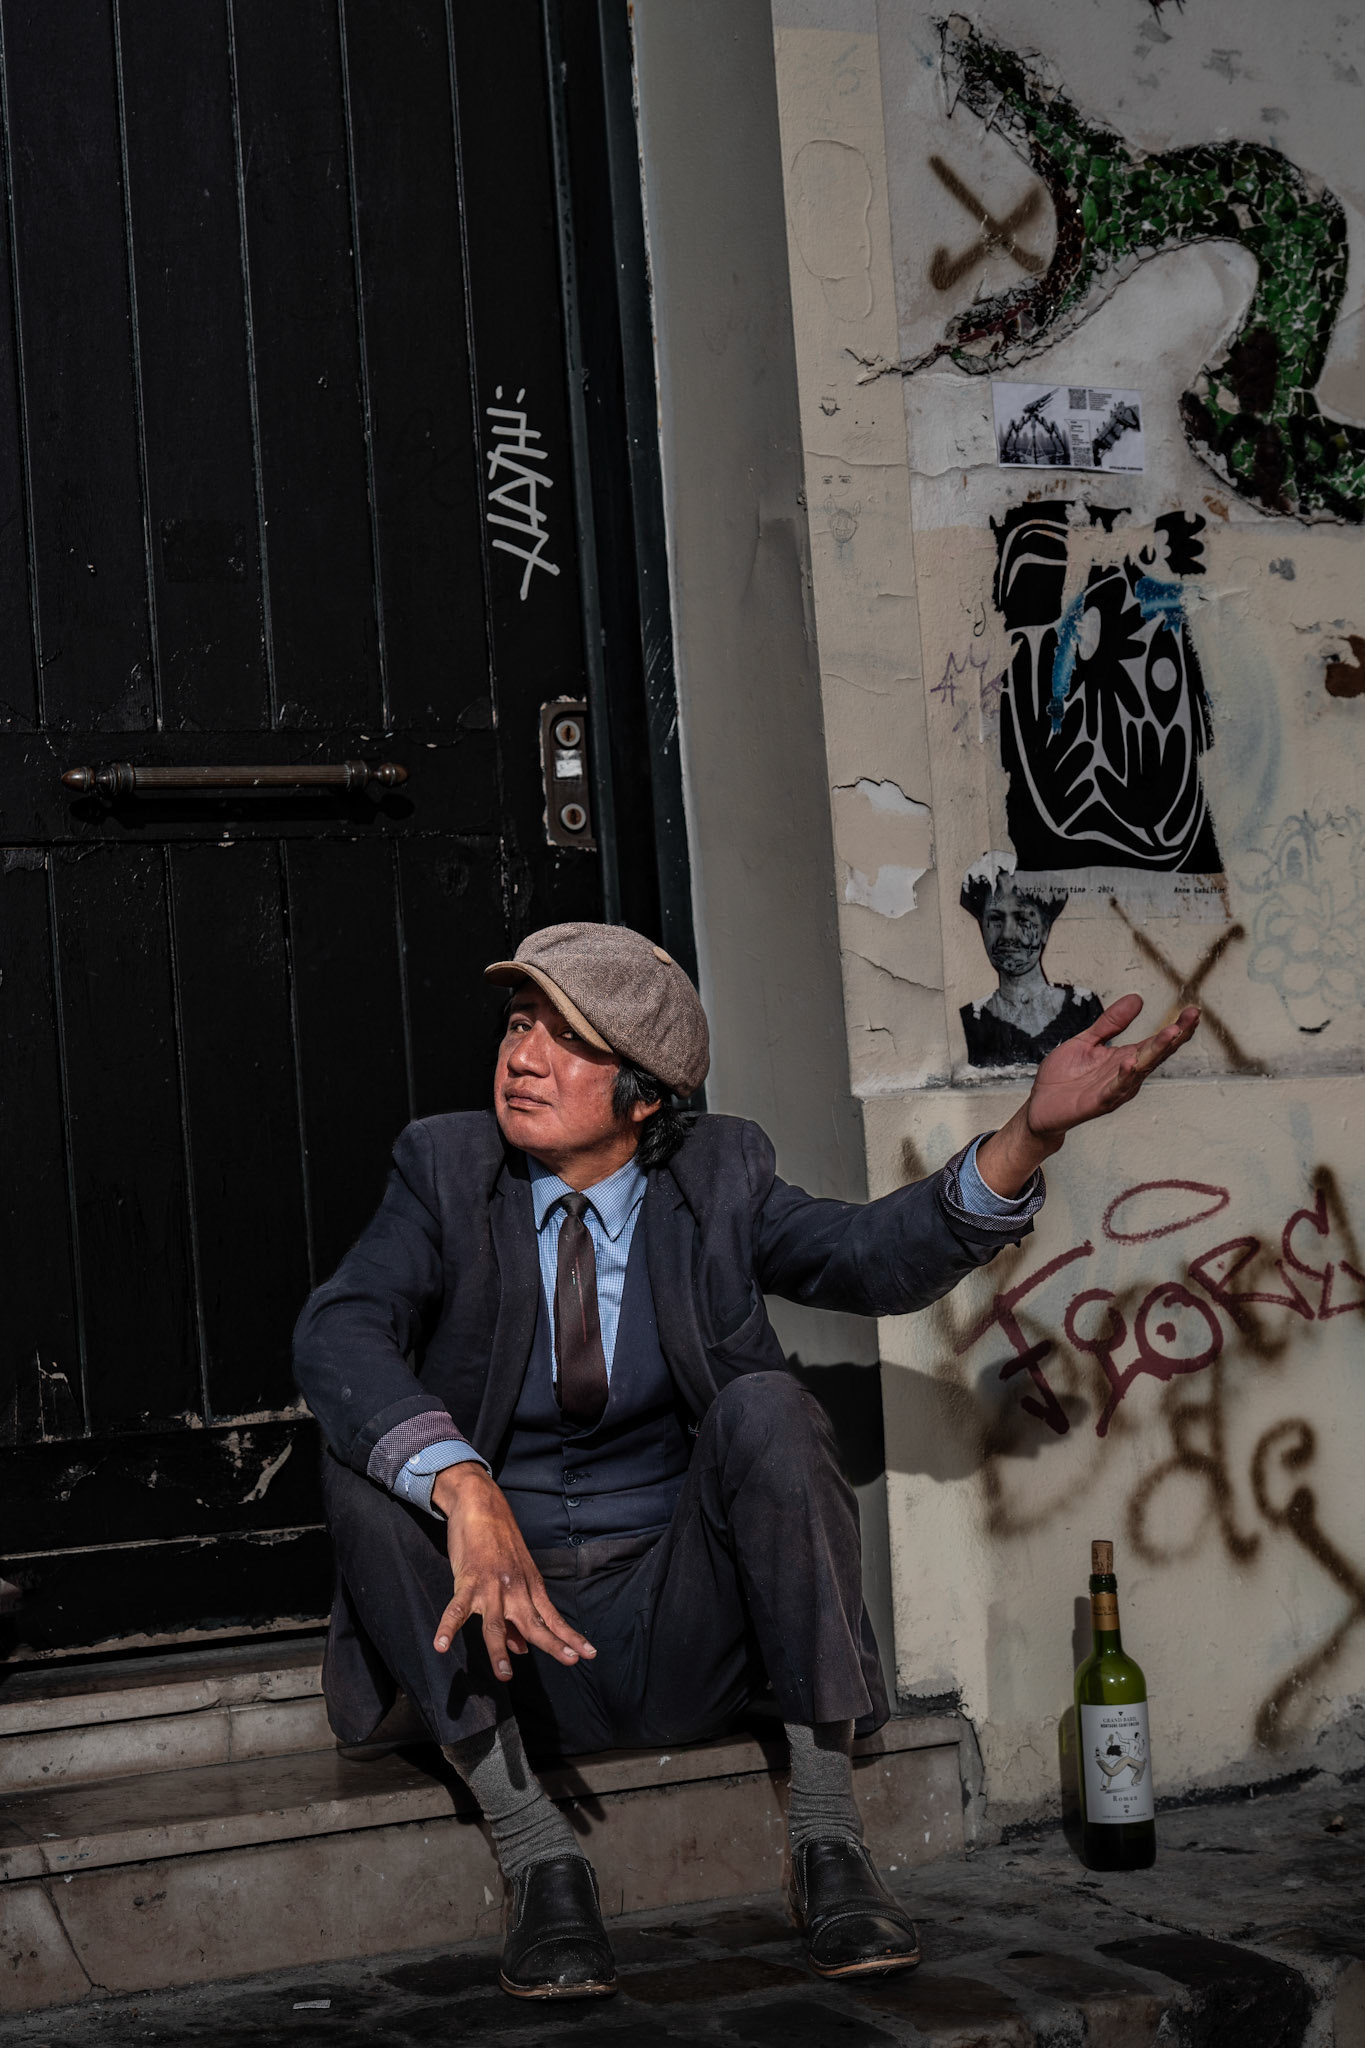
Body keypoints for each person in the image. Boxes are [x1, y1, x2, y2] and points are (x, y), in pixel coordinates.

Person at [293, 922, 1197, 2001]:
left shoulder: (719, 1174)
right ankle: (537, 1848)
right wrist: (463, 1480)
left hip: (679, 1627)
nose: (522, 1055)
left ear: (645, 1096)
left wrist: (1030, 1134)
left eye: (566, 1038)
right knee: (370, 1459)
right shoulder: (444, 1167)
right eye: (519, 1023)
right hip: (500, 1649)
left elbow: (866, 1254)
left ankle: (828, 1838)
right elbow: (338, 1330)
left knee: (768, 1406)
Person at [960, 873, 1103, 1068]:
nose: (1007, 934)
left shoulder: (1083, 1008)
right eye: (995, 919)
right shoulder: (971, 1021)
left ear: (1045, 929)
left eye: (1022, 918)